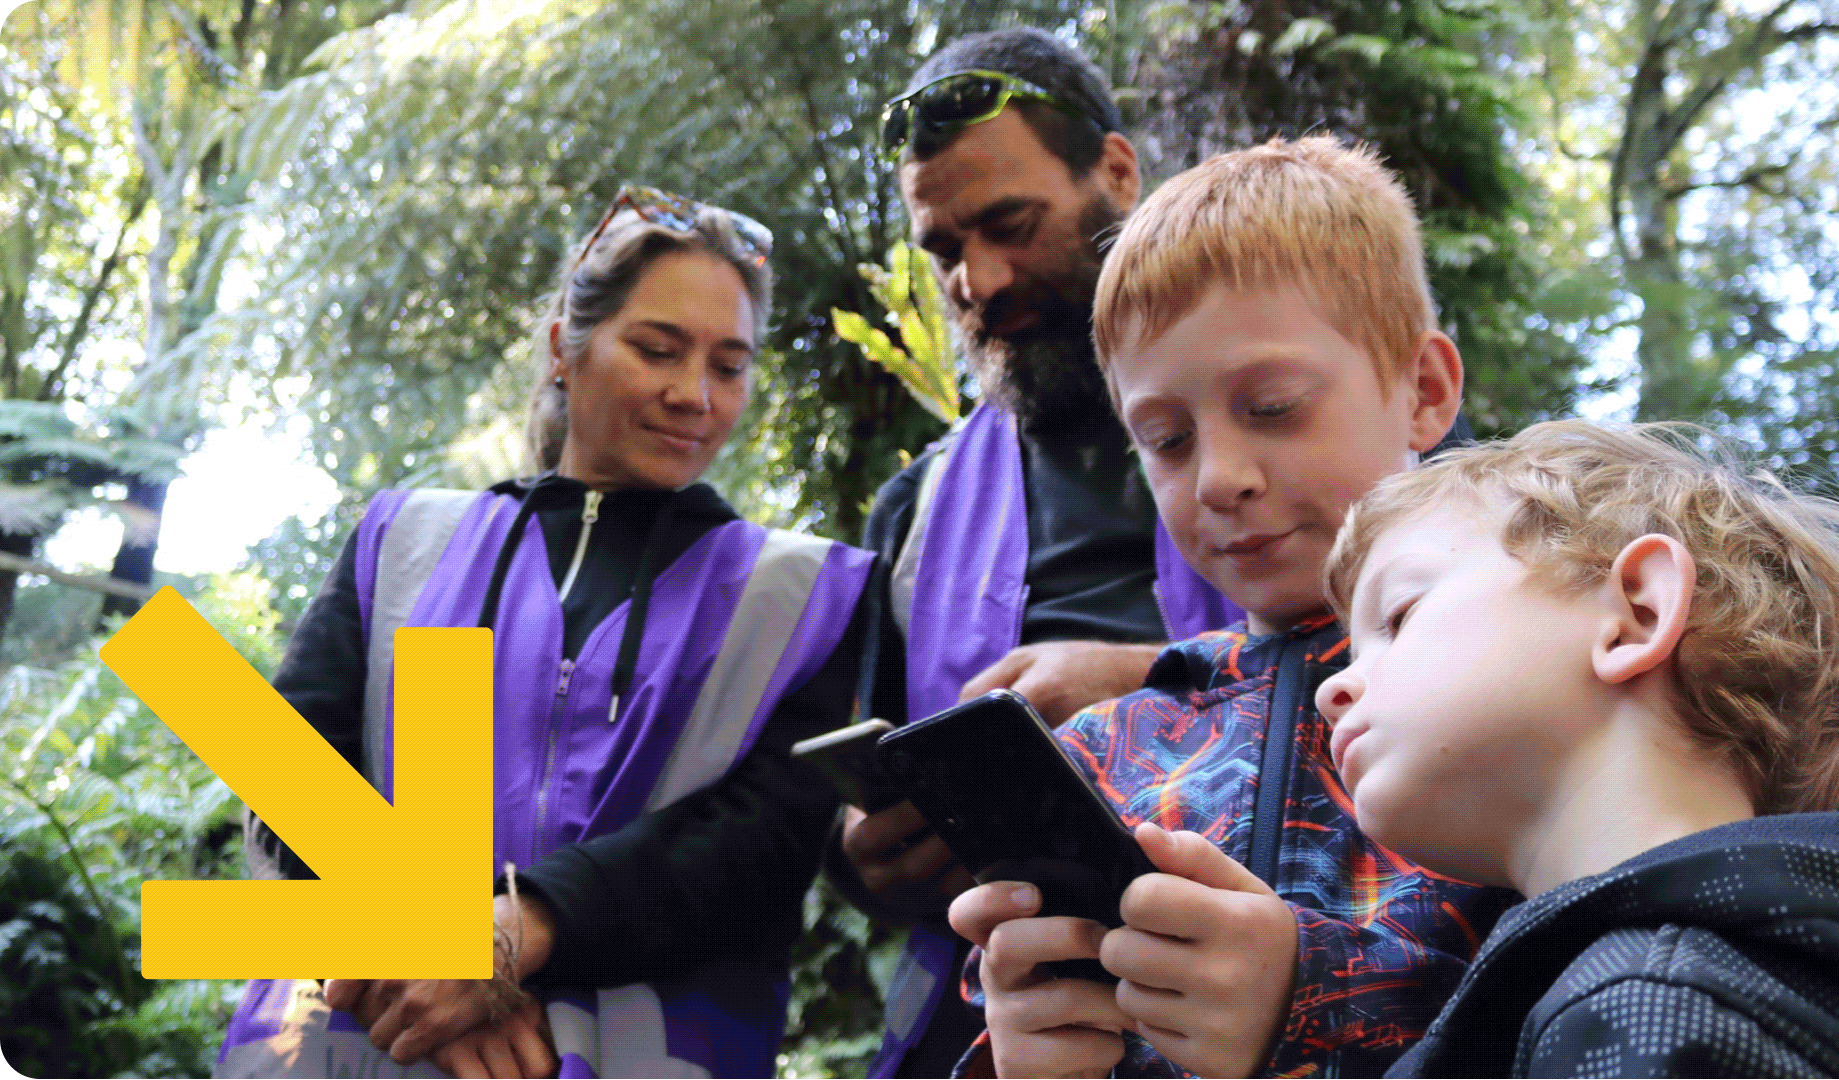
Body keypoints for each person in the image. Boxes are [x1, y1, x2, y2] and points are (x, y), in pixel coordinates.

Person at [213, 188, 876, 1079]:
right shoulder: (405, 538)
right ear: (565, 346)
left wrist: (518, 933)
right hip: (356, 1049)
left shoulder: (803, 592)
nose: (694, 395)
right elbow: (283, 775)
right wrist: (430, 973)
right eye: (657, 350)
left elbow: (761, 845)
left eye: (729, 365)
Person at [947, 135, 1517, 1077]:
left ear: (1424, 391)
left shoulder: (1527, 688)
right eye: (1167, 439)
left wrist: (1308, 998)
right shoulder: (1099, 754)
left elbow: (1605, 990)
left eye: (1274, 406)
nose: (1218, 477)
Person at [843, 28, 1245, 1076]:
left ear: (1116, 171)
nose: (979, 280)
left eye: (1011, 225)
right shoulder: (914, 513)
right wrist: (875, 861)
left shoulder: (1296, 413)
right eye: (943, 252)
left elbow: (1448, 673)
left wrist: (1149, 687)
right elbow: (861, 781)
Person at [1316, 419, 1839, 1077]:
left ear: (1636, 614)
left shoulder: (1650, 1012)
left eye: (1399, 616)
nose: (1329, 692)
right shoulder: (1749, 975)